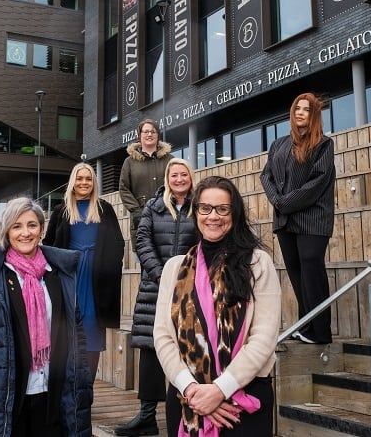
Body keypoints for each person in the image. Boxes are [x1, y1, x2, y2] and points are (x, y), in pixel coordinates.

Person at [154, 176, 282, 436]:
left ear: (234, 213)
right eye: (205, 208)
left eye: (222, 209)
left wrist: (220, 390)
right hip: (185, 397)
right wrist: (192, 390)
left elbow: (264, 338)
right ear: (196, 212)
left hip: (243, 399)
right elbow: (163, 336)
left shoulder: (258, 263)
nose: (213, 216)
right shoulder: (173, 268)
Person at [0, 197, 92, 436]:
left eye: (32, 225)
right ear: (7, 231)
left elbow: (77, 334)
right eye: (17, 226)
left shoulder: (58, 273)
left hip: (53, 392)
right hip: (6, 396)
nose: (25, 233)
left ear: (41, 229)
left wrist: (82, 382)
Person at [116, 158, 199, 436]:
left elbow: (204, 242)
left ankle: (189, 411)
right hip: (155, 286)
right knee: (151, 349)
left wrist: (185, 274)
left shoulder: (199, 205)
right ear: (167, 178)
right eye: (173, 175)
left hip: (191, 286)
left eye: (183, 174)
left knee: (189, 349)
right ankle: (147, 416)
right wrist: (162, 274)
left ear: (190, 176)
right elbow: (142, 240)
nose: (178, 179)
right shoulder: (154, 205)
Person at [260, 93, 336, 345]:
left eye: (306, 109)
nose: (300, 112)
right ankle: (306, 324)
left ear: (314, 115)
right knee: (296, 272)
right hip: (285, 220)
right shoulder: (278, 144)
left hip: (312, 218)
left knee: (311, 268)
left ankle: (321, 331)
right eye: (297, 108)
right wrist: (278, 201)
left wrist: (286, 202)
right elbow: (266, 176)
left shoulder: (324, 144)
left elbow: (317, 182)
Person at [43, 162, 125, 380]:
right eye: (79, 178)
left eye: (88, 179)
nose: (84, 183)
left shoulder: (104, 208)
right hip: (69, 277)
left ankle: (86, 387)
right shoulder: (61, 210)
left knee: (91, 331)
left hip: (96, 281)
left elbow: (118, 243)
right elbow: (48, 244)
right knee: (65, 330)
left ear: (94, 182)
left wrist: (108, 268)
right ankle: (67, 389)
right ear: (72, 182)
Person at [119, 118, 173, 237]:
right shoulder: (129, 162)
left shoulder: (170, 160)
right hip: (140, 222)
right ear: (140, 135)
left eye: (153, 132)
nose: (149, 134)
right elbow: (124, 189)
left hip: (167, 220)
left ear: (158, 135)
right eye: (146, 131)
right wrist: (137, 213)